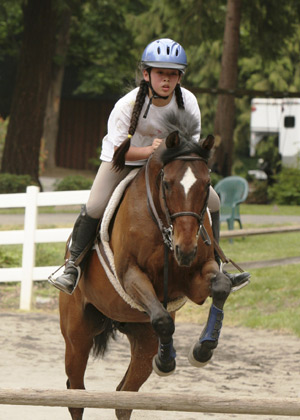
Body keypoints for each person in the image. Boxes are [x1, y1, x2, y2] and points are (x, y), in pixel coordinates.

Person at [49, 38, 250, 295]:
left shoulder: (188, 101)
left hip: (168, 168)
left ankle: (219, 266)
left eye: (172, 74)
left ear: (179, 77)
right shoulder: (126, 105)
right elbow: (119, 152)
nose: (166, 80)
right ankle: (72, 267)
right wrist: (150, 151)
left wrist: (165, 157)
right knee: (95, 205)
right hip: (125, 161)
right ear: (147, 74)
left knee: (214, 202)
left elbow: (191, 150)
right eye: (160, 74)